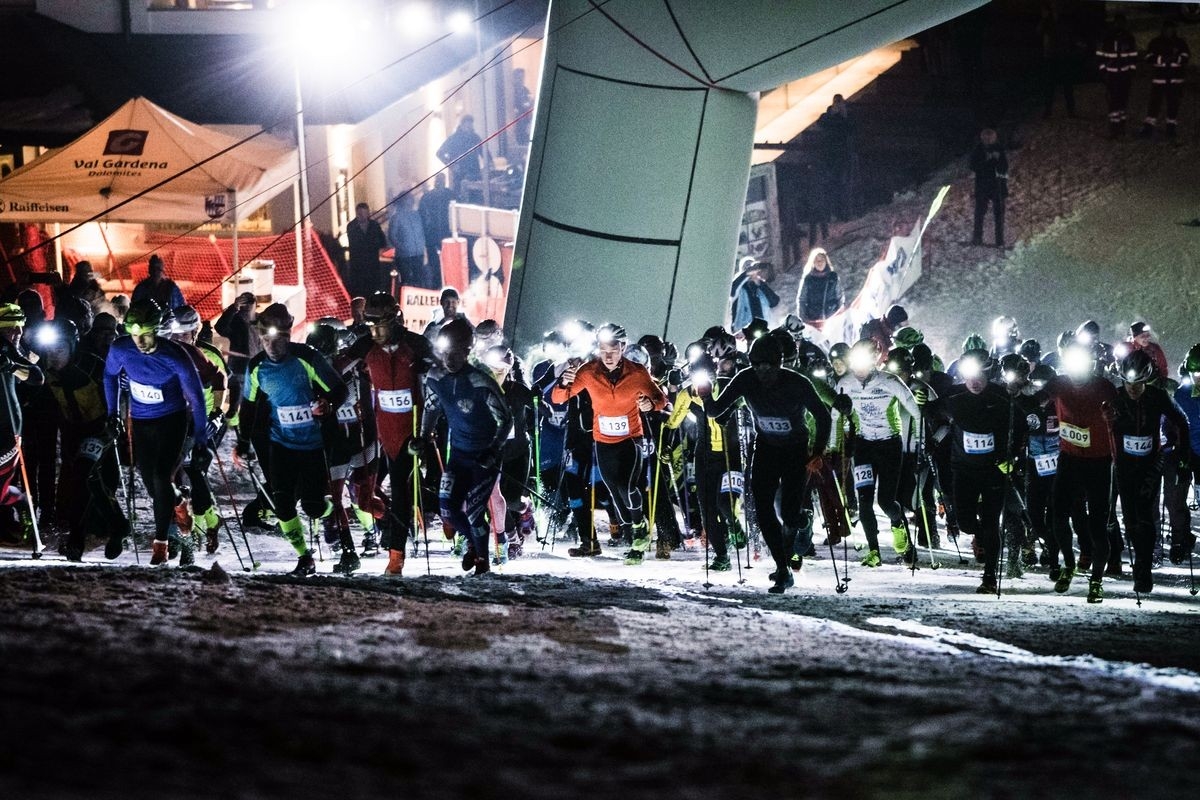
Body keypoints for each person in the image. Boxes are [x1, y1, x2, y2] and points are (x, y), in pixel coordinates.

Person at [700, 335, 830, 593]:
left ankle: (803, 524)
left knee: (790, 513)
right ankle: (783, 569)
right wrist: (705, 395)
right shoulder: (746, 378)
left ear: (780, 364)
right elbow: (715, 410)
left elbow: (823, 416)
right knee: (762, 509)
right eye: (757, 365)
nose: (762, 371)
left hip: (795, 450)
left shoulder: (797, 383)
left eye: (768, 366)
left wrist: (817, 453)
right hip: (766, 448)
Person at [234, 303, 347, 576]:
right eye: (265, 338)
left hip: (314, 445)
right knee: (282, 503)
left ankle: (330, 512)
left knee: (312, 506)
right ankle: (304, 557)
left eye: (278, 338)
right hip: (281, 444)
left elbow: (339, 390)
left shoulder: (307, 358)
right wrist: (242, 441)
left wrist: (327, 404)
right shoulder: (257, 367)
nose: (272, 345)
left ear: (288, 334)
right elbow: (248, 406)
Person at [550, 323, 668, 565]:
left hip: (631, 439)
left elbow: (660, 398)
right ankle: (634, 523)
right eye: (604, 351)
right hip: (603, 441)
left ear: (623, 348)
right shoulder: (588, 371)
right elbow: (558, 398)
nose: (609, 356)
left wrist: (650, 404)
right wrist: (563, 382)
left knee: (626, 486)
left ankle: (639, 533)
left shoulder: (637, 372)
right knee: (615, 492)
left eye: (613, 351)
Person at [102, 299, 207, 565]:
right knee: (153, 485)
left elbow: (196, 397)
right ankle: (180, 502)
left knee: (162, 476)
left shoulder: (175, 355)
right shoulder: (121, 348)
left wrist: (202, 436)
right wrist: (112, 413)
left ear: (157, 330)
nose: (140, 341)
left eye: (146, 335)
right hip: (141, 422)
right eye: (135, 335)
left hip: (171, 421)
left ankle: (160, 544)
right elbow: (109, 376)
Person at [417, 318, 512, 575]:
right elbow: (431, 408)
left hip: (484, 457)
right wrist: (423, 437)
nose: (449, 359)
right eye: (445, 353)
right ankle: (473, 542)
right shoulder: (436, 378)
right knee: (447, 509)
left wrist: (494, 451)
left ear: (467, 351)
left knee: (473, 512)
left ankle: (483, 563)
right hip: (458, 455)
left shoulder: (481, 380)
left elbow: (506, 419)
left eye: (455, 353)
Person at [360, 292, 437, 575]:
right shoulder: (365, 345)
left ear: (394, 319)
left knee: (429, 485)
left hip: (418, 429)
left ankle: (456, 520)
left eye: (379, 323)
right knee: (397, 493)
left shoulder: (415, 343)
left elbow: (441, 374)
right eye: (369, 323)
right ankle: (396, 555)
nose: (375, 330)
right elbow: (335, 368)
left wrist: (427, 430)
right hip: (386, 433)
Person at [1035, 341, 1119, 603]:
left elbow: (1120, 411)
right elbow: (1039, 398)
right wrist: (1028, 398)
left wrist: (1113, 415)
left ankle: (1096, 581)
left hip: (1099, 463)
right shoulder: (1059, 383)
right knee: (1057, 516)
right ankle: (1068, 566)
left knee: (1097, 525)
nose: (1076, 374)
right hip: (1069, 459)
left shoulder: (1103, 386)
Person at [927, 349, 1014, 593]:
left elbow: (1018, 427)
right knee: (965, 523)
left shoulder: (1001, 397)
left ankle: (989, 577)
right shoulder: (954, 396)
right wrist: (924, 404)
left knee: (990, 522)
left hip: (993, 470)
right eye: (969, 376)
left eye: (980, 377)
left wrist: (1012, 456)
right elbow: (931, 411)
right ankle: (981, 536)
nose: (975, 383)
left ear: (988, 374)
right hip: (963, 470)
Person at [832, 338, 921, 567]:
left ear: (875, 360)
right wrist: (834, 445)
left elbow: (916, 412)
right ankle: (874, 552)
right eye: (855, 362)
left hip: (889, 445)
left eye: (865, 362)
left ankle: (899, 524)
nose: (859, 369)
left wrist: (920, 441)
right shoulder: (845, 383)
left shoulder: (889, 381)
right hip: (864, 446)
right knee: (864, 502)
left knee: (886, 502)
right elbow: (834, 416)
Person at [1109, 350, 1190, 594]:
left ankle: (1143, 569)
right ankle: (1125, 551)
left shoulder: (1158, 396)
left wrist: (1183, 453)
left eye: (1139, 384)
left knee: (1144, 513)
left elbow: (1181, 420)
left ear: (1147, 381)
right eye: (1128, 383)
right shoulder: (1116, 397)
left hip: (1150, 464)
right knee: (1127, 517)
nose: (1133, 388)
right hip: (1122, 464)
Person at [214, 292, 261, 426]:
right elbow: (220, 327)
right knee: (236, 395)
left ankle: (249, 422)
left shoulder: (260, 320)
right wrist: (233, 308)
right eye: (244, 304)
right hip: (239, 366)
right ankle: (232, 420)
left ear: (254, 305)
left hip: (257, 364)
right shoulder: (235, 320)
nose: (247, 308)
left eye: (249, 304)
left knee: (254, 397)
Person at [1140, 21, 1190, 141]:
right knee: (1154, 104)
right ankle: (1149, 128)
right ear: (1163, 29)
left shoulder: (1180, 42)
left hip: (1175, 80)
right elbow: (1148, 57)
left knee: (1173, 104)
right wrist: (1162, 59)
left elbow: (1186, 57)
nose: (1169, 32)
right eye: (1167, 29)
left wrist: (1176, 59)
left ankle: (1171, 128)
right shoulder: (1155, 42)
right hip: (1160, 79)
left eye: (1171, 29)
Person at [1096, 14, 1137, 139]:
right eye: (1118, 23)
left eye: (1122, 23)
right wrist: (1104, 72)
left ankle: (1121, 128)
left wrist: (1131, 71)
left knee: (1122, 101)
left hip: (1124, 75)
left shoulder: (1129, 38)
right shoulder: (1108, 38)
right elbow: (1100, 56)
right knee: (1113, 102)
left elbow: (1133, 56)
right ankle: (1114, 130)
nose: (1120, 25)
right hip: (1112, 75)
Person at [970, 128, 1008, 248]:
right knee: (980, 212)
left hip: (997, 186)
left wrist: (997, 160)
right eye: (986, 138)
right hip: (983, 185)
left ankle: (1000, 240)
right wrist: (986, 160)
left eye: (990, 138)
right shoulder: (978, 149)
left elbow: (1004, 167)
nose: (988, 140)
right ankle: (977, 238)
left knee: (999, 213)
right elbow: (973, 166)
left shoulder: (999, 148)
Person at [436, 115, 484, 201]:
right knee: (461, 199)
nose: (469, 128)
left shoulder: (475, 137)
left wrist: (489, 163)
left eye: (471, 125)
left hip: (475, 175)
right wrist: (452, 165)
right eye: (467, 125)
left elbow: (484, 152)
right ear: (462, 125)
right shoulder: (453, 139)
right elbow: (440, 153)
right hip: (460, 176)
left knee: (476, 199)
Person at [345, 203, 387, 298]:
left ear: (368, 213)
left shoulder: (374, 225)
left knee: (373, 286)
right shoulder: (352, 226)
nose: (362, 216)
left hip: (373, 262)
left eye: (364, 213)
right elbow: (355, 243)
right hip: (358, 263)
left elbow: (382, 241)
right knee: (360, 288)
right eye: (360, 213)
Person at [418, 174, 453, 286]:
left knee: (449, 262)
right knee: (434, 264)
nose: (439, 183)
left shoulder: (451, 195)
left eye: (441, 181)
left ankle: (447, 283)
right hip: (432, 237)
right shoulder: (427, 197)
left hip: (448, 236)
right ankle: (436, 285)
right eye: (438, 180)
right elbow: (422, 217)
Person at [387, 193, 426, 291]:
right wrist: (402, 247)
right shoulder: (396, 217)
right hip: (404, 256)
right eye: (409, 199)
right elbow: (392, 236)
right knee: (407, 281)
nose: (411, 201)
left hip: (418, 254)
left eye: (412, 199)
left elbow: (421, 232)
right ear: (403, 201)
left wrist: (422, 247)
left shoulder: (416, 214)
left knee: (418, 279)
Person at [729, 258, 780, 334]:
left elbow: (774, 302)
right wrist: (745, 275)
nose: (753, 272)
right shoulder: (739, 289)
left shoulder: (760, 287)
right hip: (743, 330)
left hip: (762, 329)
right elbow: (731, 292)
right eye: (749, 270)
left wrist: (760, 284)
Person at [795, 247, 842, 325]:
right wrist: (803, 319)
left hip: (832, 320)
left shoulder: (833, 277)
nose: (819, 262)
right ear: (813, 262)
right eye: (817, 260)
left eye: (822, 260)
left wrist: (840, 315)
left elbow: (840, 297)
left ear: (826, 261)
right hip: (812, 320)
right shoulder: (808, 279)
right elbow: (802, 299)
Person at [512, 68, 534, 147]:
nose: (521, 80)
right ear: (514, 78)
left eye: (522, 77)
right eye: (519, 77)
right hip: (516, 121)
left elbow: (530, 103)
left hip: (525, 121)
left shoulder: (526, 91)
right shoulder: (510, 91)